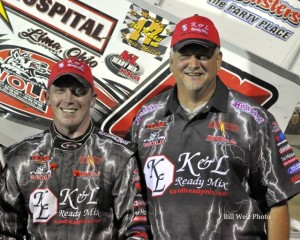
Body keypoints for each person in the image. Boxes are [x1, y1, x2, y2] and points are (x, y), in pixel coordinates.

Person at [128, 14, 300, 239]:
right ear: (171, 62)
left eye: (203, 55)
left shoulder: (254, 120)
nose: (193, 64)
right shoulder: (146, 118)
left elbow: (277, 201)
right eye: (185, 55)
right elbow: (130, 197)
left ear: (218, 60)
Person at [0, 57, 150, 239]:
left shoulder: (119, 155)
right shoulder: (20, 157)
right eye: (60, 91)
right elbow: (6, 229)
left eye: (78, 91)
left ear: (93, 99)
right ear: (47, 97)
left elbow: (137, 228)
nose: (69, 99)